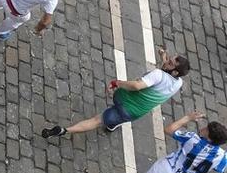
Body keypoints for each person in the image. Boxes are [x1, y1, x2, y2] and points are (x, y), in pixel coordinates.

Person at [41, 48, 190, 141]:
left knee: (104, 116)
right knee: (97, 121)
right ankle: (65, 130)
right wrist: (164, 57)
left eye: (170, 62)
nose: (167, 62)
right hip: (130, 113)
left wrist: (117, 82)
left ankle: (107, 123)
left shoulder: (158, 74)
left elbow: (138, 85)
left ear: (175, 71)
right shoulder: (178, 83)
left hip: (121, 96)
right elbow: (163, 74)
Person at [133, 112, 227, 173]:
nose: (203, 128)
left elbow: (169, 129)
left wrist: (188, 117)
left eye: (206, 130)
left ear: (210, 139)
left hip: (166, 168)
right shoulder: (223, 158)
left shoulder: (192, 138)